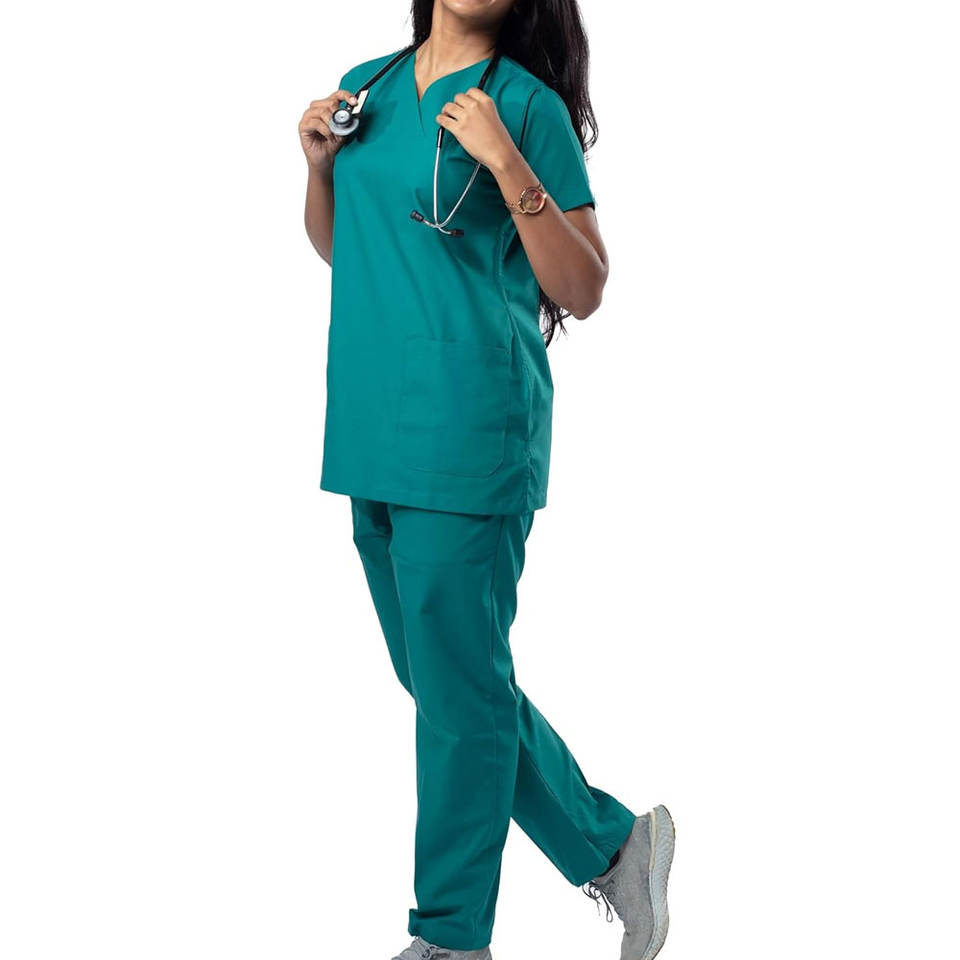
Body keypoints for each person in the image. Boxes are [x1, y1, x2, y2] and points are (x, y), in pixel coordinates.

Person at [298, 2, 674, 958]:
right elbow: (349, 248)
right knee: (449, 683)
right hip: (371, 421)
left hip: (468, 424)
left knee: (459, 695)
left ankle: (450, 937)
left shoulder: (527, 107)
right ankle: (613, 845)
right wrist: (319, 169)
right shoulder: (372, 87)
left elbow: (584, 288)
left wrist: (509, 164)